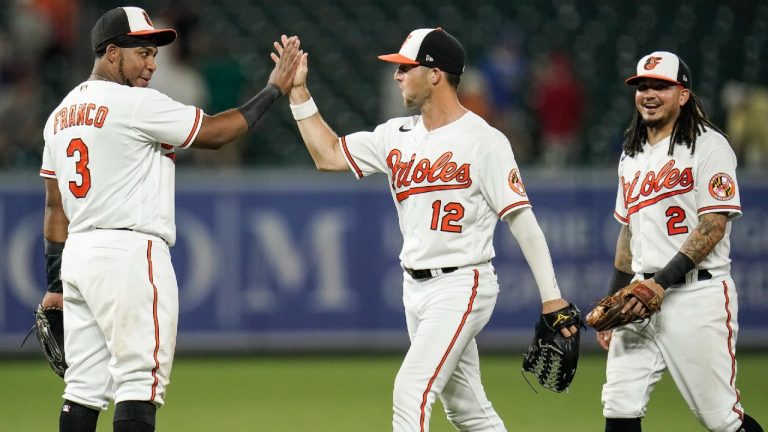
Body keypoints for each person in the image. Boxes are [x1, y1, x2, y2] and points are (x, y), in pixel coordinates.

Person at [280, 28, 579, 432]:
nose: (397, 76)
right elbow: (328, 154)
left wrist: (552, 298)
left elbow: (521, 220)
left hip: (463, 283)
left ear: (435, 74)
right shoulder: (395, 135)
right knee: (468, 411)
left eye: (406, 67)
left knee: (411, 389)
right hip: (415, 288)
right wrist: (299, 92)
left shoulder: (484, 141)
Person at [40, 6, 301, 432]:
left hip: (80, 259)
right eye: (141, 52)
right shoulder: (134, 104)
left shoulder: (59, 116)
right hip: (131, 254)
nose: (151, 63)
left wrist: (54, 285)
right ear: (110, 53)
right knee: (140, 384)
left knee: (82, 389)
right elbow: (216, 133)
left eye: (154, 54)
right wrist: (273, 90)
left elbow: (55, 209)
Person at [599, 51, 763, 432]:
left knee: (721, 419)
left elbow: (712, 227)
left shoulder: (709, 146)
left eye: (661, 85)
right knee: (619, 406)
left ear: (683, 94)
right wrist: (614, 299)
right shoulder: (632, 152)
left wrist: (659, 283)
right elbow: (628, 233)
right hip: (639, 297)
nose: (649, 93)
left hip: (696, 294)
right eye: (642, 86)